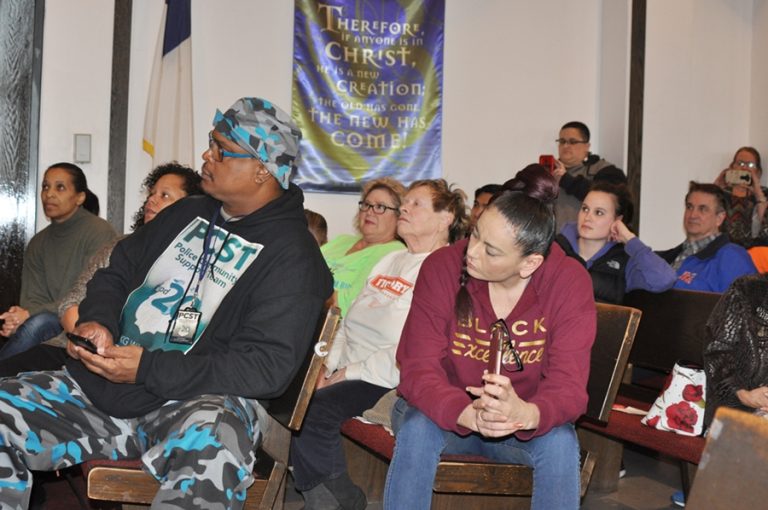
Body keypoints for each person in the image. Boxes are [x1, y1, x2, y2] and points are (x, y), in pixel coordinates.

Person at [0, 97, 333, 509]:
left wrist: (147, 367)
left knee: (214, 445)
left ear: (262, 168)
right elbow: (117, 270)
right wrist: (98, 322)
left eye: (220, 150)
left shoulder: (294, 257)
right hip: (103, 392)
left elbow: (266, 368)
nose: (205, 156)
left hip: (194, 404)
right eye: (210, 144)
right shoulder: (189, 212)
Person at [384, 164, 596, 510]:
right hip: (443, 415)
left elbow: (569, 387)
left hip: (522, 424)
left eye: (491, 251)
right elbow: (418, 367)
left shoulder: (567, 281)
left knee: (560, 443)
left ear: (530, 263)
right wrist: (464, 412)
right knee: (416, 428)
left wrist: (528, 413)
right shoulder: (442, 267)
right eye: (476, 234)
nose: (473, 252)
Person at [290, 179, 468, 510]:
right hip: (349, 365)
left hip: (388, 374)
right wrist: (326, 365)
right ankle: (322, 495)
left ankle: (342, 500)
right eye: (406, 203)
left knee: (313, 411)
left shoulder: (446, 268)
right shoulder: (391, 260)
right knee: (290, 391)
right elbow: (348, 321)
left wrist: (349, 372)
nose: (405, 209)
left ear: (446, 217)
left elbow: (414, 346)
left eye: (416, 204)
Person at [0, 163, 204, 378]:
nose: (151, 200)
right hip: (76, 344)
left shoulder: (197, 260)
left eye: (164, 195)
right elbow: (71, 304)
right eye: (152, 193)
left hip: (140, 361)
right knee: (9, 373)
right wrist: (87, 342)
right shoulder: (120, 245)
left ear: (190, 207)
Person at [0, 163, 117, 360]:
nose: (49, 194)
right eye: (45, 187)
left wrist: (28, 315)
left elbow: (88, 294)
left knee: (38, 323)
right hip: (46, 322)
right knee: (34, 322)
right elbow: (32, 300)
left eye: (59, 187)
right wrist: (19, 318)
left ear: (80, 197)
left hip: (85, 321)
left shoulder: (99, 232)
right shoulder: (38, 242)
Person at [555, 182, 676, 304]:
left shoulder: (624, 261)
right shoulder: (555, 248)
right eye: (585, 209)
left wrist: (630, 239)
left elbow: (665, 279)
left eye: (599, 212)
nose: (587, 217)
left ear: (618, 220)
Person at [321, 178, 405, 315]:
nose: (369, 212)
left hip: (335, 327)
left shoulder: (394, 253)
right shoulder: (342, 241)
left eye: (380, 207)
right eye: (366, 204)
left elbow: (349, 303)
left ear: (398, 216)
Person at [657, 182, 756, 292]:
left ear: (719, 218)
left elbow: (750, 306)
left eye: (703, 209)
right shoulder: (664, 258)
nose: (693, 215)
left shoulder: (732, 257)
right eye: (689, 207)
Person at [552, 121, 626, 230]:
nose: (565, 146)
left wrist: (567, 180)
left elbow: (611, 201)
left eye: (572, 142)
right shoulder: (548, 171)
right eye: (562, 141)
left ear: (587, 146)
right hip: (552, 243)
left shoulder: (605, 170)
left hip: (592, 242)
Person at [713, 146, 767, 247]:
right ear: (732, 167)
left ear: (758, 172)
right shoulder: (722, 194)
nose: (744, 168)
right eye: (740, 163)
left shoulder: (765, 194)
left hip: (755, 255)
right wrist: (715, 187)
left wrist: (758, 194)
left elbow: (765, 231)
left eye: (751, 165)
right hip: (723, 252)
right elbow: (706, 221)